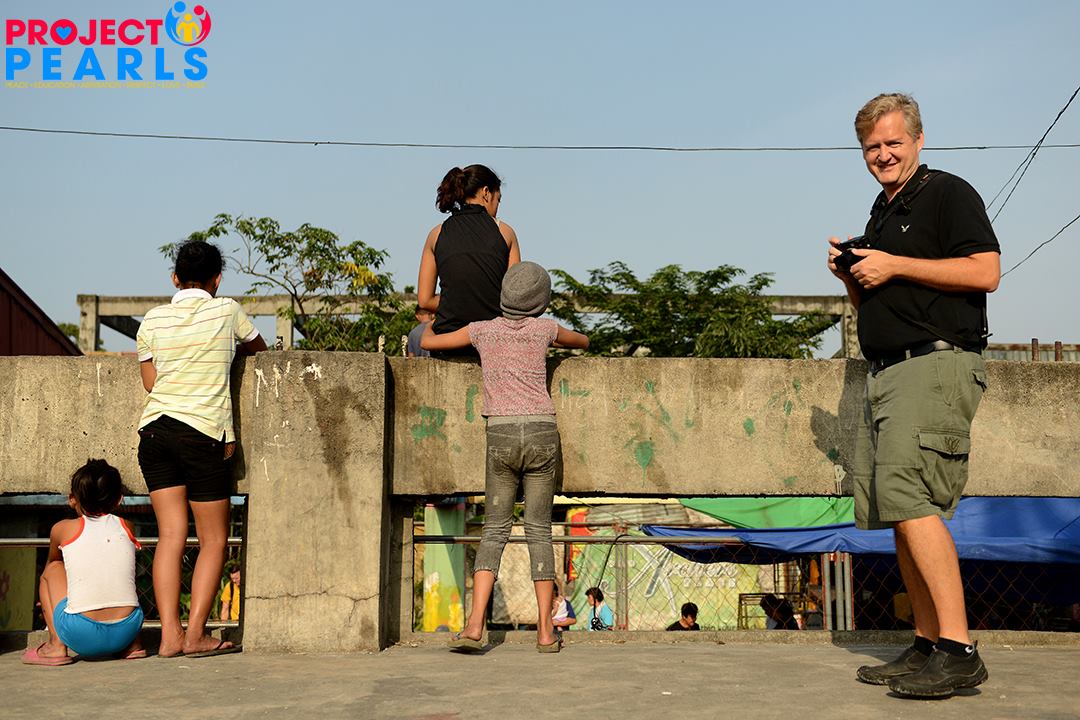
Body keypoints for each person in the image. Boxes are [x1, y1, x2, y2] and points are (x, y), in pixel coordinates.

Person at [828, 93, 1000, 699]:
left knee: (914, 500)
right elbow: (878, 302)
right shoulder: (883, 210)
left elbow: (985, 272)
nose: (882, 154)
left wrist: (895, 264)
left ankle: (958, 649)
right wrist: (855, 275)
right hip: (887, 370)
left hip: (934, 365)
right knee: (897, 507)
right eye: (871, 147)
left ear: (919, 140)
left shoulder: (948, 192)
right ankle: (927, 642)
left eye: (893, 142)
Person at [422, 261, 588, 653]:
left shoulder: (482, 330)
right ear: (540, 301)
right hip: (542, 433)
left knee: (495, 528)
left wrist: (430, 322)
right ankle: (546, 632)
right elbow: (582, 341)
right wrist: (555, 340)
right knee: (539, 529)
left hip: (500, 434)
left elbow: (429, 342)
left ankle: (474, 625)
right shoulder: (545, 329)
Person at [136, 239, 267, 658]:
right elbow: (259, 350)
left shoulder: (152, 320)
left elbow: (151, 383)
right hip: (203, 433)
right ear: (217, 280)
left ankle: (169, 637)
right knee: (213, 540)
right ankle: (195, 635)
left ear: (175, 278)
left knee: (170, 536)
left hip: (154, 433)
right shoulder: (227, 310)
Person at [21, 459, 145, 665]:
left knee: (51, 570)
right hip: (127, 630)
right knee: (121, 573)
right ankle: (134, 646)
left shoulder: (62, 529)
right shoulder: (127, 526)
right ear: (119, 500)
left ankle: (56, 645)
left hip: (81, 634)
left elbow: (54, 562)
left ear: (72, 499)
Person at [417, 164, 521, 354]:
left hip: (448, 341)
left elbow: (424, 301)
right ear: (486, 192)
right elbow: (516, 299)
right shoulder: (505, 232)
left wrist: (456, 302)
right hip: (494, 342)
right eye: (498, 199)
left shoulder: (436, 234)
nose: (497, 207)